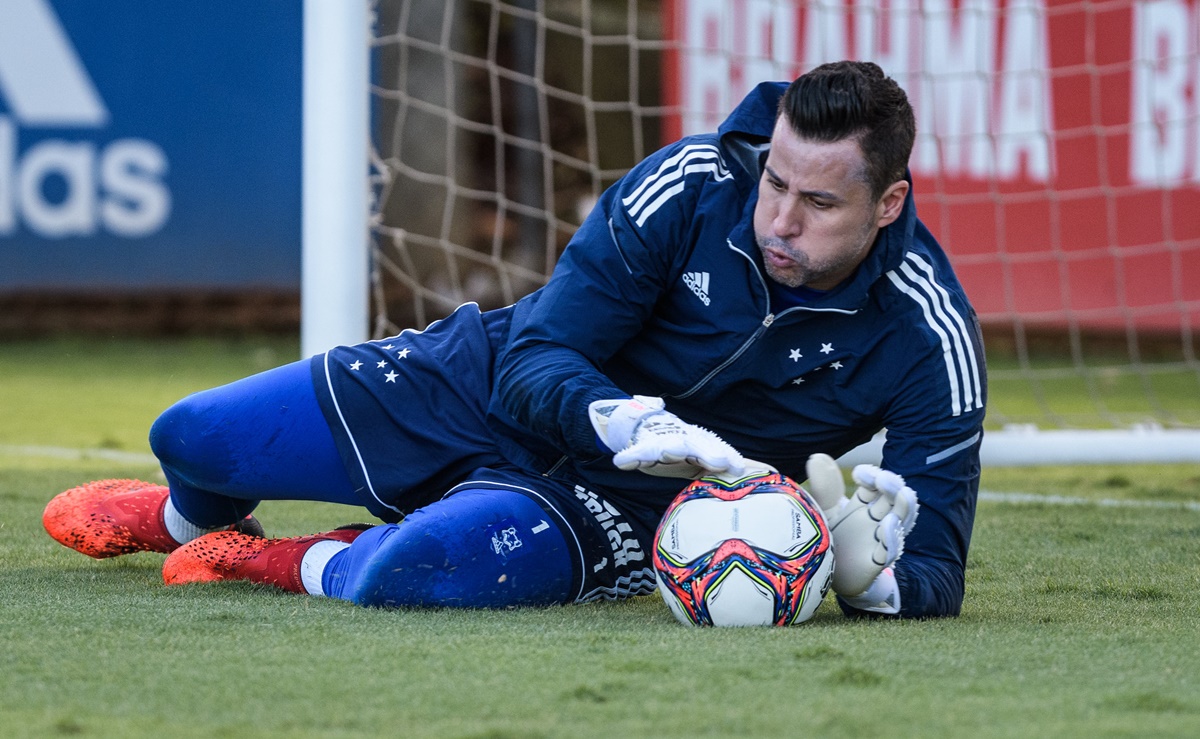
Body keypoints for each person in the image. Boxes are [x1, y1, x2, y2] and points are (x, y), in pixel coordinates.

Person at [43, 61, 985, 618]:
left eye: (819, 202)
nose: (779, 219)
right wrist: (617, 414)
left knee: (404, 572)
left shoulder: (927, 332)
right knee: (192, 435)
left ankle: (266, 557)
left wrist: (875, 583)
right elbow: (537, 355)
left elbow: (938, 561)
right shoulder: (691, 186)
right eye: (775, 182)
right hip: (492, 378)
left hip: (622, 501)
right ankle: (186, 517)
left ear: (888, 202)